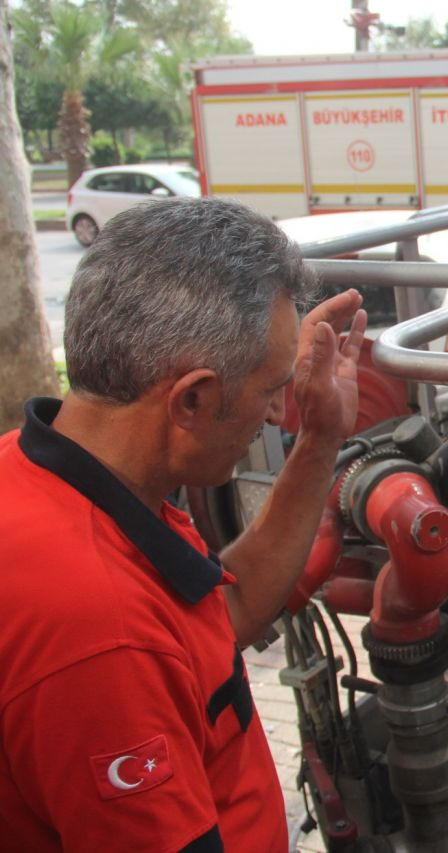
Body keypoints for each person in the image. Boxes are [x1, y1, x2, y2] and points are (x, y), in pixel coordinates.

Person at [0, 198, 367, 850]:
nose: (277, 412)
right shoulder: (102, 638)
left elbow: (217, 620)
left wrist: (320, 438)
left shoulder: (51, 474)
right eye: (271, 389)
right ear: (193, 398)